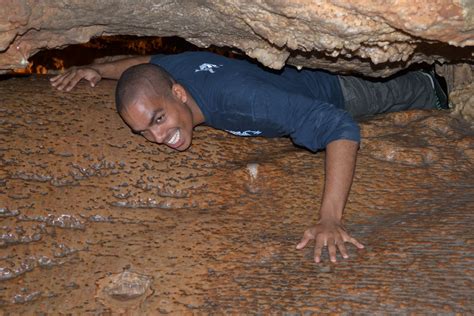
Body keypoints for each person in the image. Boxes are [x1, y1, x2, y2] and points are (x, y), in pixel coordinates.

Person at [50, 51, 448, 264]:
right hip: (292, 81)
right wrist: (98, 69)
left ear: (179, 95)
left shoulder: (240, 102)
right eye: (145, 131)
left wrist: (330, 219)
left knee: (417, 92)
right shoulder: (169, 76)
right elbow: (146, 65)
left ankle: (438, 80)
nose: (158, 137)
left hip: (337, 91)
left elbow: (340, 127)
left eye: (159, 119)